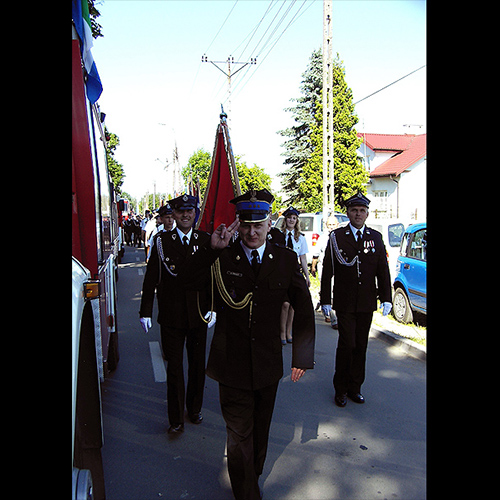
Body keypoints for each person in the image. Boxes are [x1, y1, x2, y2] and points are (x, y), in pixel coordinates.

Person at [179, 189, 315, 500]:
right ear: (237, 226)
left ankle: (250, 476)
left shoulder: (285, 258)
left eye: (258, 225)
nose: (252, 233)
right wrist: (210, 251)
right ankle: (247, 492)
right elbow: (187, 283)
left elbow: (303, 306)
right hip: (231, 363)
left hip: (267, 364)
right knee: (239, 434)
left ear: (270, 224)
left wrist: (301, 356)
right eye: (245, 225)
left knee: (260, 430)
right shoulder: (223, 255)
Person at [138, 194, 214, 434]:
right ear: (173, 214)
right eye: (180, 212)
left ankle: (194, 409)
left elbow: (212, 278)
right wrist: (146, 310)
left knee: (196, 365)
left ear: (195, 213)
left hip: (198, 314)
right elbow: (152, 277)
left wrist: (212, 307)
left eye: (189, 211)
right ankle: (175, 419)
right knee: (174, 368)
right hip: (171, 315)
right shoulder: (162, 241)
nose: (185, 215)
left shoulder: (205, 240)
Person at [320, 191, 392, 407]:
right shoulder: (337, 237)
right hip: (344, 302)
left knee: (361, 346)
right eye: (354, 210)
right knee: (347, 344)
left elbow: (383, 270)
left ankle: (355, 387)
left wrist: (386, 297)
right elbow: (327, 271)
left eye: (362, 211)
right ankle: (340, 389)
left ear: (367, 214)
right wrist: (325, 299)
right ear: (348, 213)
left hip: (366, 302)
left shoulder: (375, 238)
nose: (358, 214)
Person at [279, 207, 310, 345]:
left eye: (294, 218)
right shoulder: (279, 235)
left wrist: (307, 276)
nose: (291, 220)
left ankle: (288, 331)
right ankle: (281, 332)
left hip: (295, 272)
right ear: (285, 220)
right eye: (289, 217)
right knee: (284, 304)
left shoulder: (301, 238)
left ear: (297, 221)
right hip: (281, 271)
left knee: (292, 305)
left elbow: (303, 258)